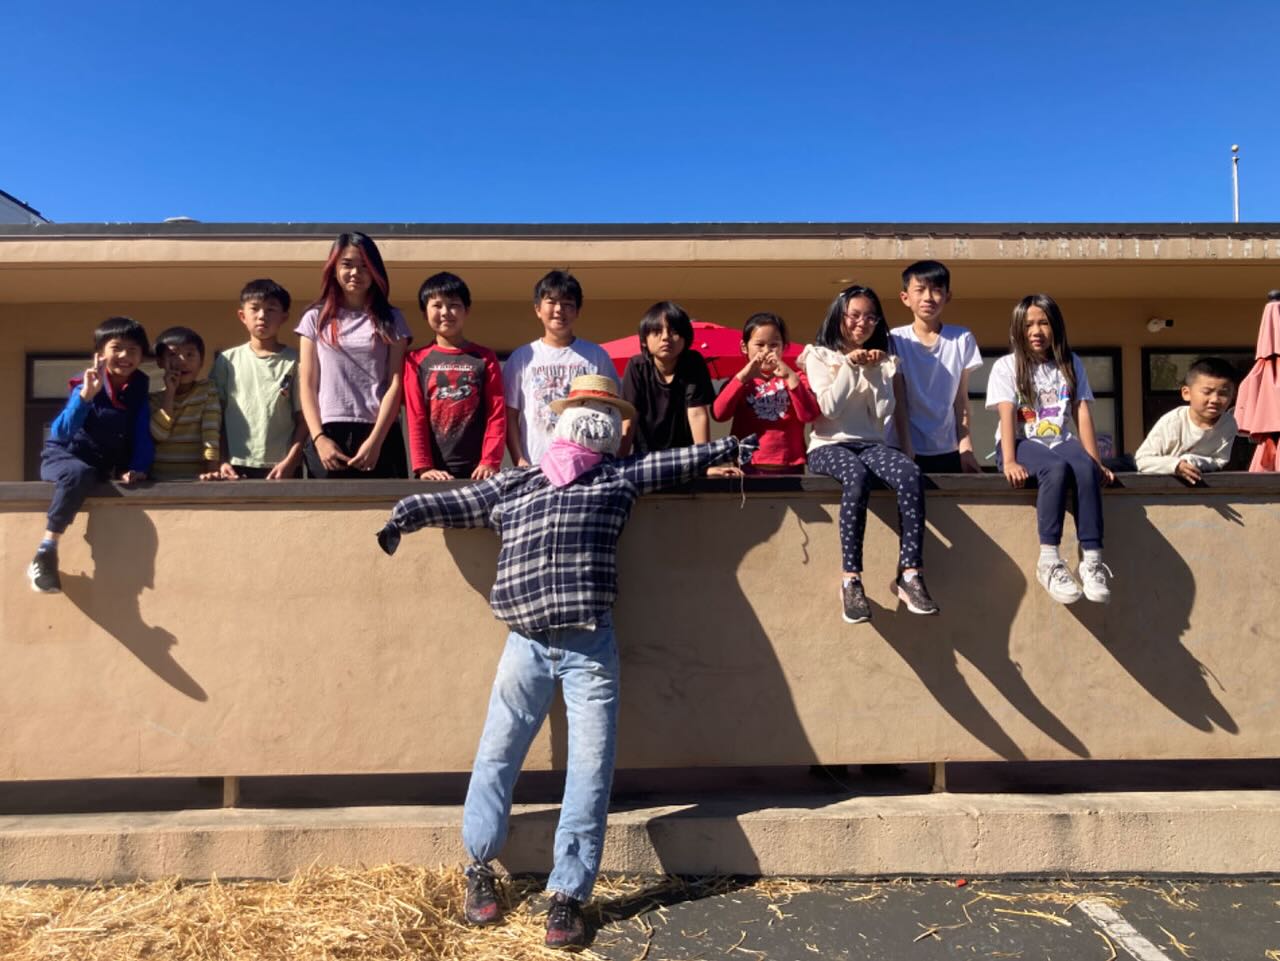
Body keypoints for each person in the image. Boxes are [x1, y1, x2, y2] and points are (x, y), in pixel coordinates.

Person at [376, 374, 755, 951]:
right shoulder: (517, 483)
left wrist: (727, 448)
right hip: (523, 644)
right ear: (566, 415)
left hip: (589, 647)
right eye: (585, 405)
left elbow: (671, 463)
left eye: (605, 407)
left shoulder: (619, 477)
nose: (594, 414)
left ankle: (568, 895)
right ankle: (479, 867)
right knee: (497, 754)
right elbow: (455, 502)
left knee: (590, 767)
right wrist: (404, 514)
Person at [799, 285, 937, 624]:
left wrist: (874, 372)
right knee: (856, 477)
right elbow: (829, 408)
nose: (863, 323)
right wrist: (849, 365)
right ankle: (851, 580)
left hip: (871, 443)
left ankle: (909, 573)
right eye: (855, 315)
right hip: (827, 446)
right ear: (839, 316)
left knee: (908, 474)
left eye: (871, 317)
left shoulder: (885, 361)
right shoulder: (818, 355)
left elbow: (883, 413)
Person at [986, 294, 1115, 604]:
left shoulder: (1070, 363)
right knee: (1055, 470)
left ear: (1055, 326)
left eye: (1043, 323)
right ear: (1017, 329)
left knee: (1083, 469)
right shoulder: (1007, 366)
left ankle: (1093, 560)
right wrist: (1009, 461)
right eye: (1028, 324)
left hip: (1060, 439)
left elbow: (1081, 411)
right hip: (1020, 441)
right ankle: (1049, 560)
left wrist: (1096, 462)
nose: (1036, 330)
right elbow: (1006, 415)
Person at [28, 317, 153, 593]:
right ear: (100, 354)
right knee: (78, 473)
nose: (124, 356)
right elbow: (61, 432)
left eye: (133, 350)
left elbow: (140, 432)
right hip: (63, 458)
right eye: (116, 348)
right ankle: (46, 551)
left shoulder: (139, 389)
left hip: (98, 466)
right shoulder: (86, 384)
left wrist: (137, 466)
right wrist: (85, 395)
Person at [297, 232, 411, 478]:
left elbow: (395, 382)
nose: (355, 273)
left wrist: (376, 441)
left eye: (364, 266)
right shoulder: (314, 319)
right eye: (347, 265)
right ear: (334, 268)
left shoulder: (392, 320)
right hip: (328, 434)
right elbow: (307, 384)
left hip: (379, 433)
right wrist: (318, 439)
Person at [503, 270, 616, 467]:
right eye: (552, 302)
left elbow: (613, 410)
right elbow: (510, 414)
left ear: (577, 311)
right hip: (535, 464)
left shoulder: (596, 355)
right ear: (538, 309)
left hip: (586, 467)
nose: (559, 310)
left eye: (567, 304)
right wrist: (519, 459)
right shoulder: (522, 357)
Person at [402, 272, 505, 480]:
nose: (446, 312)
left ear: (466, 310)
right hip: (434, 472)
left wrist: (490, 461)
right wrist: (424, 467)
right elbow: (416, 416)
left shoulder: (484, 358)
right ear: (424, 312)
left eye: (454, 305)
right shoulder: (416, 360)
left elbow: (496, 413)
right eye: (437, 305)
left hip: (479, 473)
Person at [886, 260, 984, 472]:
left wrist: (965, 447)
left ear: (948, 296)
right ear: (905, 297)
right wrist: (906, 447)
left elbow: (961, 400)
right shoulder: (895, 339)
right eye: (919, 290)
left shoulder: (961, 338)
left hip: (947, 447)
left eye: (936, 290)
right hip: (903, 447)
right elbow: (898, 400)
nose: (928, 297)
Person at [203, 279, 305, 480]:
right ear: (242, 315)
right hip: (234, 465)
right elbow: (215, 417)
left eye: (271, 310)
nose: (262, 316)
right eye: (255, 309)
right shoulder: (226, 361)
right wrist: (221, 460)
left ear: (284, 317)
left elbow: (304, 419)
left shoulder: (296, 360)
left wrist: (291, 461)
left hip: (281, 466)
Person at [712, 311, 819, 473]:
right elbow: (719, 414)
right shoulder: (740, 381)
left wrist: (790, 376)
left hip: (789, 465)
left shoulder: (797, 378)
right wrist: (742, 377)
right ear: (744, 347)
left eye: (774, 345)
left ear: (785, 347)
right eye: (759, 345)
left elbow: (809, 415)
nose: (767, 351)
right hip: (747, 465)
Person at [619, 301, 715, 456]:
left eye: (674, 331)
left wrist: (704, 462)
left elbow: (697, 413)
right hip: (645, 456)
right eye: (657, 331)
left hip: (686, 454)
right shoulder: (637, 366)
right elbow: (630, 417)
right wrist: (619, 461)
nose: (665, 337)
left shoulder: (693, 363)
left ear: (686, 338)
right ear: (644, 340)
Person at [1135, 357, 1239, 481]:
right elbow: (1142, 460)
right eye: (1207, 392)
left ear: (1233, 395)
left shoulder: (1228, 424)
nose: (1215, 400)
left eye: (1223, 393)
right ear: (1186, 393)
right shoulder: (1172, 422)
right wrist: (1176, 465)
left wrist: (1193, 461)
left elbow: (1219, 461)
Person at [149, 326, 221, 481]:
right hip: (159, 479)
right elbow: (159, 435)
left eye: (190, 354)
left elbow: (210, 432)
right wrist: (169, 393)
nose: (182, 362)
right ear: (160, 361)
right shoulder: (153, 399)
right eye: (173, 355)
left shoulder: (207, 390)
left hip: (197, 477)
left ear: (201, 361)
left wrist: (212, 468)